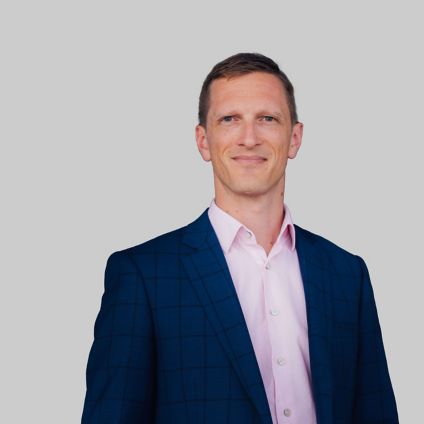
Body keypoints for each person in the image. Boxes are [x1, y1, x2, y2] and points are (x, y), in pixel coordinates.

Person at [81, 52, 399, 424]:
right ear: (203, 141)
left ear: (294, 138)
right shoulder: (143, 275)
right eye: (230, 119)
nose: (249, 138)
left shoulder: (346, 274)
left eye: (267, 119)